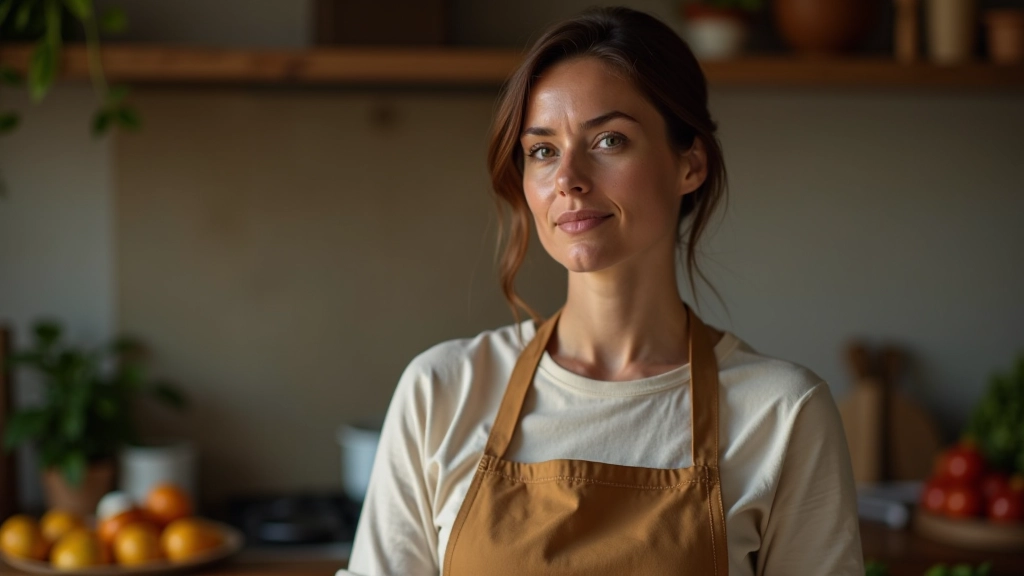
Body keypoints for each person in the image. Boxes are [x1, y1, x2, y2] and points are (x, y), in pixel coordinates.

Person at [339, 6, 863, 576]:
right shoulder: (442, 392)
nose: (568, 178)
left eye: (610, 140)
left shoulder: (783, 413)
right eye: (543, 150)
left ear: (690, 163)